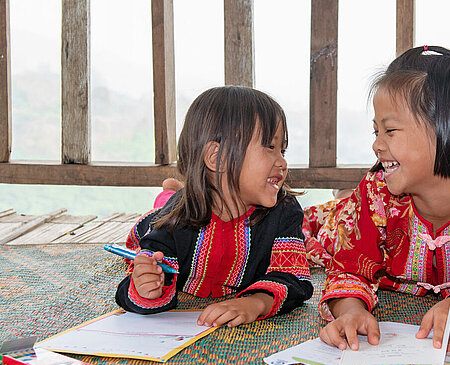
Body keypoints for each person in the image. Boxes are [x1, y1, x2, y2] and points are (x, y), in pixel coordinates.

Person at [305, 46, 450, 351]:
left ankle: (344, 198)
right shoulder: (377, 194)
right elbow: (351, 267)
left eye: (390, 131)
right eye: (376, 132)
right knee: (313, 226)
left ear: (449, 129)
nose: (377, 146)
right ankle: (344, 201)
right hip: (348, 219)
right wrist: (351, 310)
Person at [115, 86, 313, 328]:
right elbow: (136, 284)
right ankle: (170, 192)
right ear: (216, 157)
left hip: (193, 196)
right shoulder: (172, 222)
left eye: (282, 150)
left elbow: (295, 278)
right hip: (169, 210)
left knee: (174, 197)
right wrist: (147, 287)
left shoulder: (285, 212)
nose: (282, 162)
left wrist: (257, 302)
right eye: (270, 148)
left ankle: (172, 189)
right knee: (163, 208)